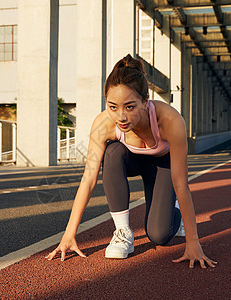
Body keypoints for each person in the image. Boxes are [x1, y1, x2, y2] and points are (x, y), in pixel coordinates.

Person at [46, 54, 216, 269]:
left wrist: (193, 242)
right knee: (113, 152)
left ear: (145, 102)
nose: (121, 117)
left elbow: (182, 184)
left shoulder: (171, 121)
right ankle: (122, 231)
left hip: (162, 165)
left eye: (130, 106)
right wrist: (69, 234)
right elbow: (88, 179)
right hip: (130, 160)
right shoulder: (103, 124)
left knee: (159, 236)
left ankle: (173, 211)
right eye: (112, 106)